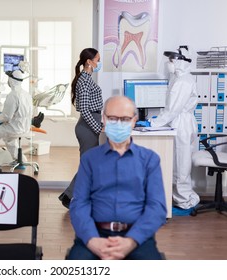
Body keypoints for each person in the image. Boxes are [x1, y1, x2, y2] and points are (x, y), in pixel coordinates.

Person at [67, 96, 167, 260]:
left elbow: (156, 208)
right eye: (113, 118)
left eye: (125, 119)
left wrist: (131, 241)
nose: (119, 123)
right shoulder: (90, 159)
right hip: (95, 234)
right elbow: (79, 204)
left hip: (137, 237)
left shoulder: (150, 160)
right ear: (104, 119)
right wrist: (92, 240)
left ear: (134, 121)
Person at [147, 46, 200, 216]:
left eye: (172, 60)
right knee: (178, 163)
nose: (169, 63)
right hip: (180, 123)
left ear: (180, 62)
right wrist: (156, 122)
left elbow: (173, 109)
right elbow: (170, 108)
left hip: (182, 124)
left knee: (181, 165)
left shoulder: (183, 81)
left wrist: (154, 124)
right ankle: (181, 198)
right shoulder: (178, 78)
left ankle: (185, 201)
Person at [58, 48, 104, 208]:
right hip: (88, 127)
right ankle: (68, 196)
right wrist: (98, 128)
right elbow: (84, 109)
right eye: (97, 60)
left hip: (92, 123)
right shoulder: (84, 81)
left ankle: (81, 196)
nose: (99, 63)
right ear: (89, 62)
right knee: (89, 165)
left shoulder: (87, 78)